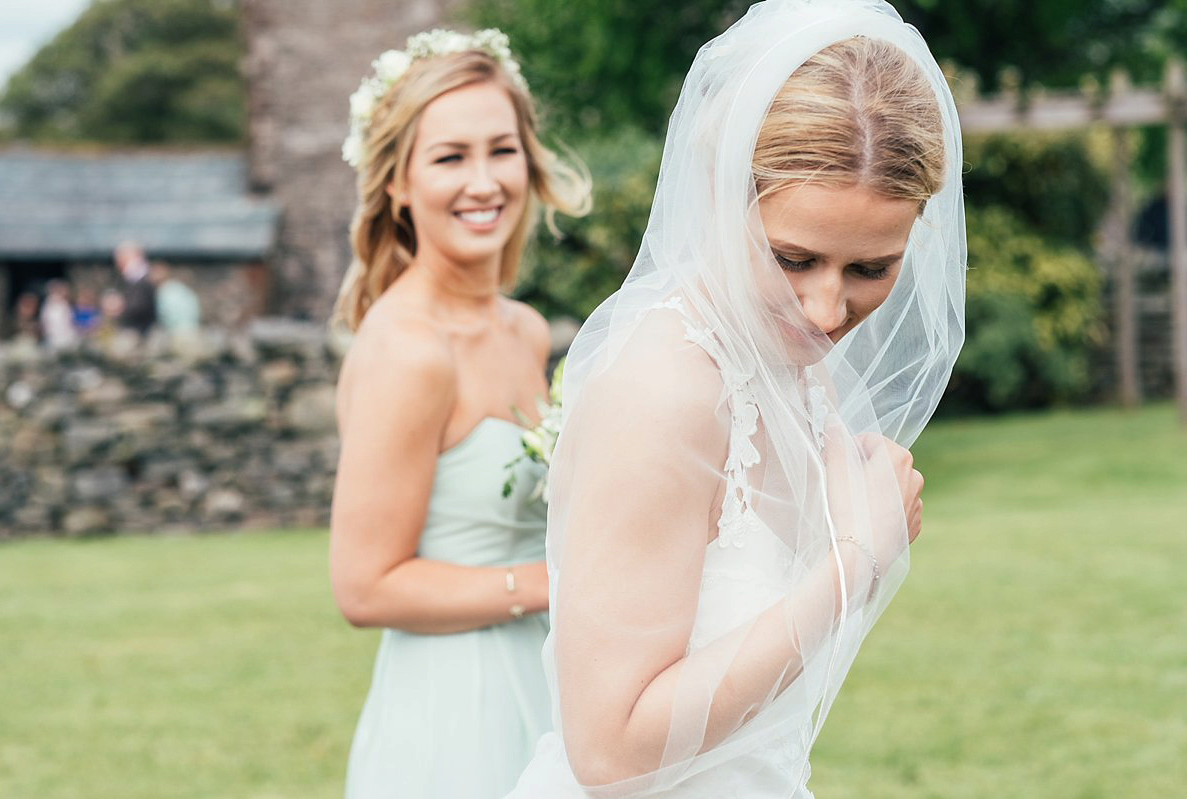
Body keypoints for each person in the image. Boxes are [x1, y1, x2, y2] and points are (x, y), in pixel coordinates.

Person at [507, 1, 966, 797]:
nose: (827, 312)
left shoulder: (789, 360)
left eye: (871, 268)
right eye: (794, 257)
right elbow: (609, 752)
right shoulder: (665, 389)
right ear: (722, 195)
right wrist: (855, 560)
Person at [327, 28, 591, 799]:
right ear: (399, 184)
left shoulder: (525, 329)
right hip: (455, 710)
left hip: (554, 685)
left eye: (501, 149)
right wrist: (564, 582)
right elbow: (365, 586)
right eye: (450, 157)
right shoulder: (408, 351)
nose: (485, 181)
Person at [112, 241, 157, 334]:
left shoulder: (140, 277)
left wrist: (120, 308)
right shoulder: (135, 278)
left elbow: (139, 306)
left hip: (141, 330)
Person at [149, 261, 201, 334]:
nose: (151, 277)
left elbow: (167, 316)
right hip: (191, 330)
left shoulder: (166, 290)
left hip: (178, 332)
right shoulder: (178, 287)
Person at [39, 279, 78, 351]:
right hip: (54, 338)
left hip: (66, 337)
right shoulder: (49, 305)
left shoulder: (65, 304)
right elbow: (46, 322)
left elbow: (70, 322)